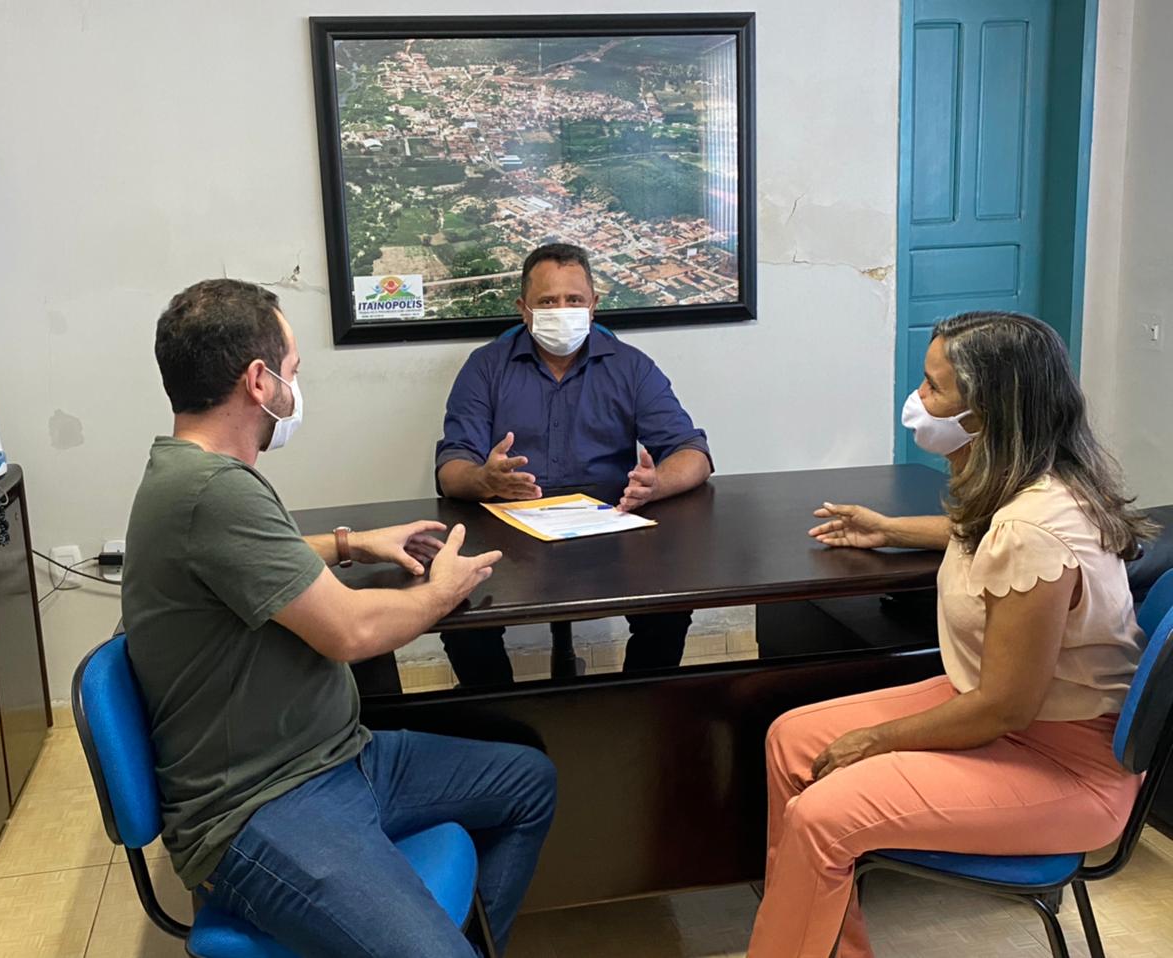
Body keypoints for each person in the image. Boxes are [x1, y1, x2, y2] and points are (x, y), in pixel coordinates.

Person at [122, 279, 556, 957]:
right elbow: (350, 632)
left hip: (339, 758)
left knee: (528, 783)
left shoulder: (192, 475)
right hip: (261, 807)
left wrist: (353, 543)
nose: (299, 390)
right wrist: (443, 588)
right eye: (294, 372)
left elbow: (257, 557)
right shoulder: (211, 492)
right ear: (259, 383)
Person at [747, 311, 1155, 958]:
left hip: (1061, 763)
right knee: (790, 740)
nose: (919, 399)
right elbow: (988, 534)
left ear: (985, 414)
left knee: (823, 818)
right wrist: (891, 529)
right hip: (1019, 720)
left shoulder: (1035, 528)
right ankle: (815, 940)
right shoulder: (1030, 484)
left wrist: (874, 741)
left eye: (935, 389)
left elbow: (1004, 706)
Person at [434, 243, 713, 685]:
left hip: (610, 528)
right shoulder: (485, 367)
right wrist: (483, 478)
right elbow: (451, 470)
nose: (561, 310)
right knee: (457, 605)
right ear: (523, 310)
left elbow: (693, 454)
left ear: (594, 306)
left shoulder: (631, 367)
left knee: (668, 604)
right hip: (510, 532)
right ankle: (501, 724)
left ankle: (639, 707)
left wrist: (656, 483)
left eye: (574, 300)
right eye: (547, 302)